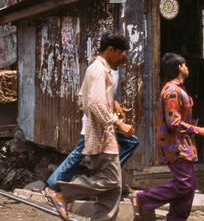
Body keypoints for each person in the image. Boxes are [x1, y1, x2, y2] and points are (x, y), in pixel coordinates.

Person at [49, 33, 132, 221]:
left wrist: (112, 104)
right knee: (110, 180)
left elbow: (82, 98)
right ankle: (63, 194)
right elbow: (94, 103)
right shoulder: (98, 70)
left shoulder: (100, 69)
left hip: (102, 132)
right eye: (121, 53)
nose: (123, 58)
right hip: (101, 134)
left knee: (115, 183)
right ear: (110, 50)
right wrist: (117, 122)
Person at [132, 52, 204, 221]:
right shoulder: (172, 91)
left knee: (189, 186)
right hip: (175, 145)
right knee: (184, 184)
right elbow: (174, 122)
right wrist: (199, 130)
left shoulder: (178, 89)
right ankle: (143, 198)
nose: (188, 68)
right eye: (185, 65)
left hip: (183, 144)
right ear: (180, 67)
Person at [45, 48, 139, 194]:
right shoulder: (98, 70)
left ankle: (108, 176)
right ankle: (57, 184)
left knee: (130, 142)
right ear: (114, 52)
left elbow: (107, 95)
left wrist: (116, 105)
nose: (126, 56)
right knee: (80, 151)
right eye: (124, 53)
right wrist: (116, 120)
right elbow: (92, 99)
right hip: (97, 120)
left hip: (108, 120)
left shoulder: (113, 71)